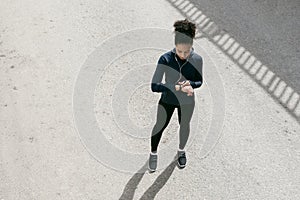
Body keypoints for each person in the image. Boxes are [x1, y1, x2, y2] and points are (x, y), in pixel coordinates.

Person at [149, 19, 203, 172]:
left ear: (192, 46)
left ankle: (181, 151)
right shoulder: (165, 59)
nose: (183, 55)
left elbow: (199, 81)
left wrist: (191, 85)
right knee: (159, 126)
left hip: (187, 102)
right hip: (168, 100)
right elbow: (154, 86)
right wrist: (178, 87)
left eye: (187, 51)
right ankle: (153, 153)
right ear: (175, 46)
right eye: (180, 51)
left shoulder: (197, 60)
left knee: (184, 126)